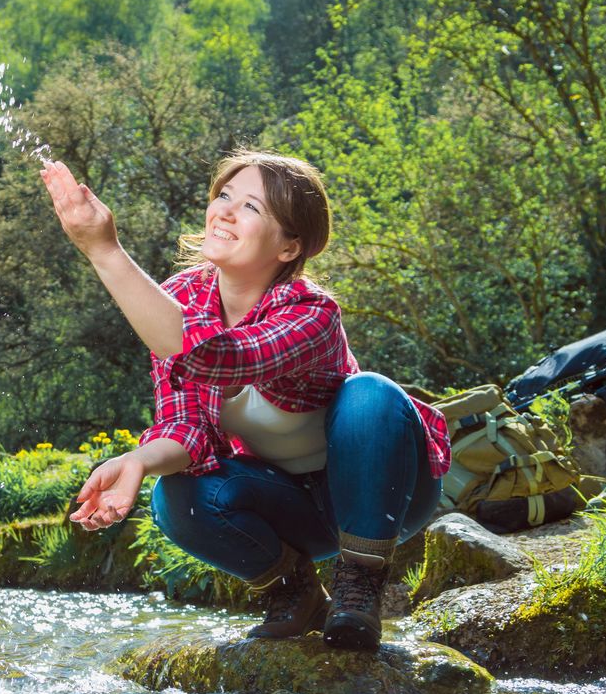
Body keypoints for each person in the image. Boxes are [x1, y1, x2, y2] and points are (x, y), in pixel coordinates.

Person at [39, 149, 451, 651]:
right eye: (224, 196)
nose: (226, 211)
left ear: (288, 246)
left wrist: (105, 250)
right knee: (178, 496)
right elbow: (185, 426)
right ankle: (296, 592)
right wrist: (136, 462)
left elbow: (218, 358)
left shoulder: (312, 312)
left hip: (387, 491)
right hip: (295, 506)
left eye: (252, 207)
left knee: (370, 395)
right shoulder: (180, 300)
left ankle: (359, 587)